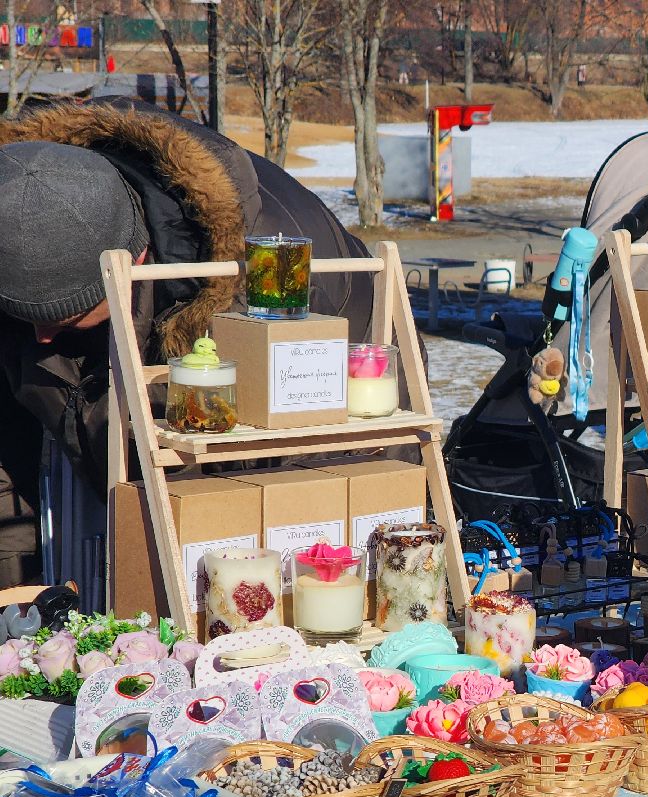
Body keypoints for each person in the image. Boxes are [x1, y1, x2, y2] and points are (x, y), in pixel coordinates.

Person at [0, 97, 373, 587]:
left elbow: (312, 479)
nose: (42, 337)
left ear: (132, 265)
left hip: (325, 433)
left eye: (64, 318)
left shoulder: (274, 283)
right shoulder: (16, 215)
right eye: (22, 315)